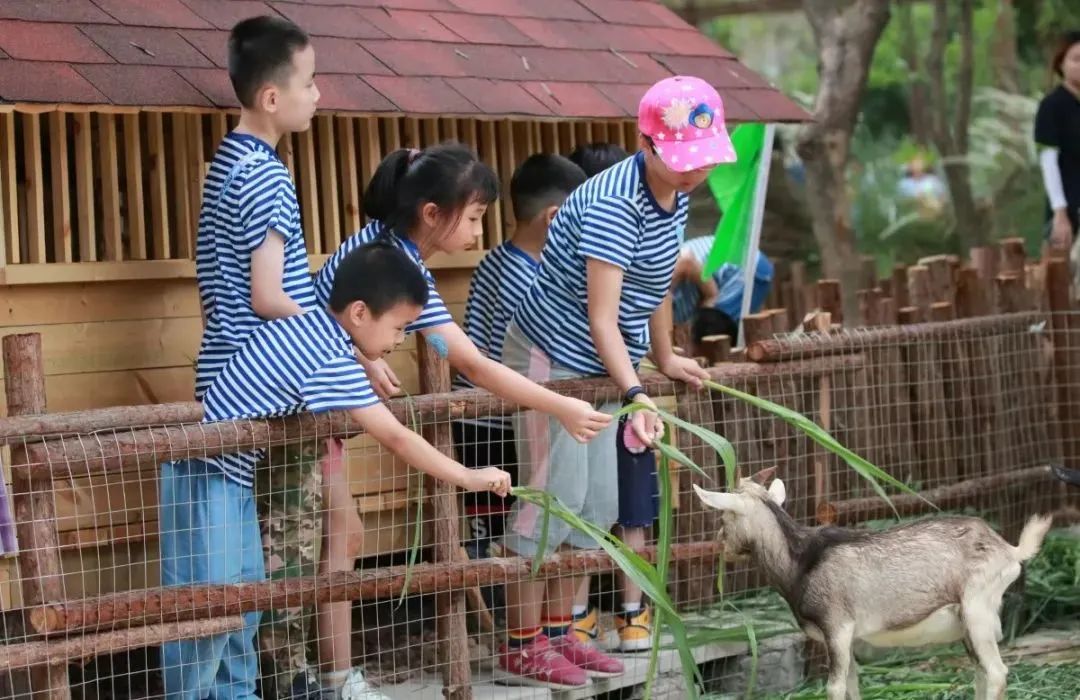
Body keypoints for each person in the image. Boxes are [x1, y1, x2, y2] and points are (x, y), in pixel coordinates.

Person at [162, 241, 512, 700]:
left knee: (244, 601)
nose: (398, 341)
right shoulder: (329, 358)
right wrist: (468, 476)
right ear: (361, 313)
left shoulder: (308, 329)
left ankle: (236, 694)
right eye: (399, 327)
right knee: (208, 611)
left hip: (232, 477)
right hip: (204, 478)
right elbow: (397, 437)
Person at [496, 75, 733, 689]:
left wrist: (664, 356)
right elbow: (602, 314)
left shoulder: (673, 196)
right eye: (682, 162)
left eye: (702, 163)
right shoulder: (612, 203)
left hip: (607, 367)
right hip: (554, 360)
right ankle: (523, 644)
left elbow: (652, 282)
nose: (692, 175)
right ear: (644, 142)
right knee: (550, 505)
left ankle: (561, 637)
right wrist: (637, 391)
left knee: (594, 508)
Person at [161, 14, 363, 700]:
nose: (317, 94)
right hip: (250, 382)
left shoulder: (226, 164)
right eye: (308, 82)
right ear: (272, 96)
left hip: (220, 367)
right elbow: (271, 295)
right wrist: (340, 341)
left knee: (232, 578)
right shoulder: (267, 176)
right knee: (224, 584)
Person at [452, 155, 587, 580]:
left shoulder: (497, 260)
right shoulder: (529, 277)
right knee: (514, 524)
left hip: (486, 413)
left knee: (502, 523)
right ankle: (519, 630)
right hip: (500, 417)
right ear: (554, 217)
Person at [671, 235, 773, 351]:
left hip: (743, 268)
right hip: (736, 268)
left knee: (714, 337)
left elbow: (686, 261)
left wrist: (711, 296)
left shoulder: (652, 288)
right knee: (715, 338)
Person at [1035, 30, 1080, 255]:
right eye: (1076, 59)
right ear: (1061, 64)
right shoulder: (1052, 106)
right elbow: (1048, 161)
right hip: (1069, 212)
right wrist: (1060, 214)